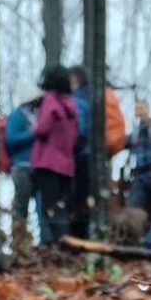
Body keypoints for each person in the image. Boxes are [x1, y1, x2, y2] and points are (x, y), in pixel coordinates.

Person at [31, 65, 78, 245]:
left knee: (49, 208)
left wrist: (34, 129)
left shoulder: (50, 100)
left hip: (48, 163)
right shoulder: (70, 103)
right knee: (61, 207)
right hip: (66, 165)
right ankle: (66, 242)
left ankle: (58, 245)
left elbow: (43, 128)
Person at [5, 82, 41, 252]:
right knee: (21, 206)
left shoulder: (37, 115)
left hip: (36, 166)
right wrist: (32, 134)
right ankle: (19, 243)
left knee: (40, 206)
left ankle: (38, 243)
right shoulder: (17, 116)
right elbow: (11, 139)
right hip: (21, 166)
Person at [127, 99, 151, 217]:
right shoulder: (135, 133)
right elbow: (122, 142)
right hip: (140, 176)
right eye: (137, 109)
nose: (140, 112)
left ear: (148, 109)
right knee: (131, 209)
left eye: (142, 108)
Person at [68, 66, 92, 236]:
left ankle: (78, 236)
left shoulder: (76, 100)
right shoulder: (91, 96)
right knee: (85, 198)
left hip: (80, 155)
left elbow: (79, 131)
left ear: (74, 79)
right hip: (90, 154)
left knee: (77, 198)